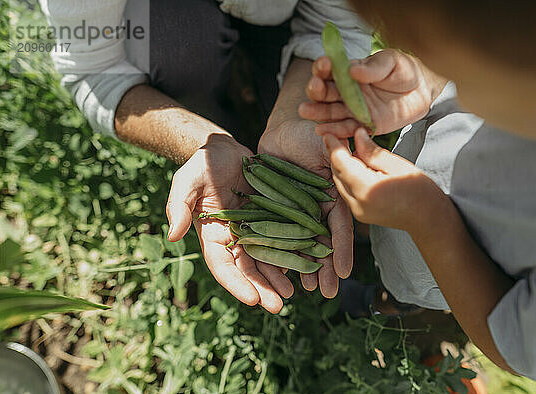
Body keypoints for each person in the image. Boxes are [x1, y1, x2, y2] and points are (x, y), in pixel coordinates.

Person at [299, 0, 536, 384]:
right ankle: (369, 237)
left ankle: (388, 300)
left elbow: (513, 342)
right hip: (408, 185)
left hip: (443, 271)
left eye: (472, 76)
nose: (468, 95)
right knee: (371, 223)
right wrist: (428, 83)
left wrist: (426, 217)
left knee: (402, 281)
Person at [40, 0, 372, 313]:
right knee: (177, 38)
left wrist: (296, 114)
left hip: (284, 15)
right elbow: (95, 72)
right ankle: (225, 122)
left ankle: (265, 113)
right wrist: (199, 141)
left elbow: (335, 24)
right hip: (167, 30)